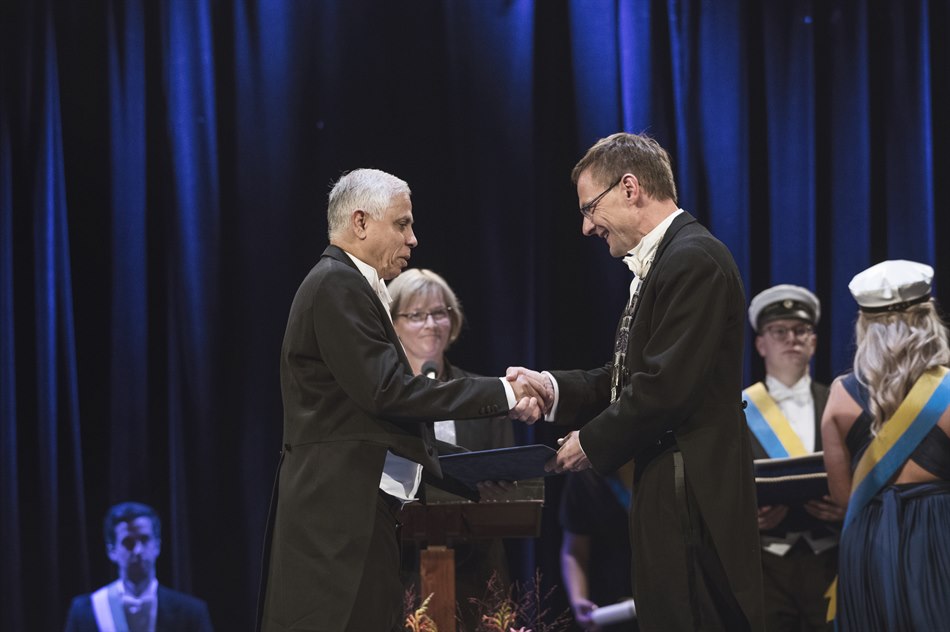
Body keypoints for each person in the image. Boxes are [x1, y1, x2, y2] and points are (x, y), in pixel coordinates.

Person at [258, 168, 544, 632]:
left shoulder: (348, 284)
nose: (413, 238)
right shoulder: (337, 283)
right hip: (337, 525)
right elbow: (389, 393)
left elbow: (370, 423)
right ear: (360, 222)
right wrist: (506, 391)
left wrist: (473, 473)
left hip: (354, 519)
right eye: (402, 224)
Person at [508, 132, 764, 631]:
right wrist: (553, 389)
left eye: (590, 208)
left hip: (692, 489)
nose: (586, 227)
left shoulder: (694, 258)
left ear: (630, 188)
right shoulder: (668, 259)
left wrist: (589, 442)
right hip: (668, 480)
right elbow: (627, 376)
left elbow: (664, 388)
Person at [821, 259, 950, 631]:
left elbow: (843, 497)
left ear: (865, 324)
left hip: (868, 540)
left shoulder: (839, 396)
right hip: (940, 534)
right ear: (929, 319)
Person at [387, 267, 516, 630]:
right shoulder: (383, 401)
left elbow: (508, 478)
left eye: (439, 313)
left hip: (479, 571)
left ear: (453, 320)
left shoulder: (485, 394)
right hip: (403, 571)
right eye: (416, 315)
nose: (430, 324)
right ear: (393, 324)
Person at [743, 285, 843, 632]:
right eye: (779, 331)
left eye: (801, 330)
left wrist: (847, 507)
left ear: (813, 342)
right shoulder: (736, 411)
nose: (792, 339)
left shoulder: (840, 402)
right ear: (761, 344)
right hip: (764, 565)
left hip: (831, 560)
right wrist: (746, 518)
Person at [63, 501, 213, 632]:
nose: (138, 550)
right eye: (128, 542)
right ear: (112, 551)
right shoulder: (85, 611)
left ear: (157, 545)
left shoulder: (191, 613)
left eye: (145, 539)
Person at [559, 461, 637, 632]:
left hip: (666, 596)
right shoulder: (585, 475)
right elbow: (574, 551)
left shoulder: (662, 463)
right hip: (613, 604)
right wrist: (579, 598)